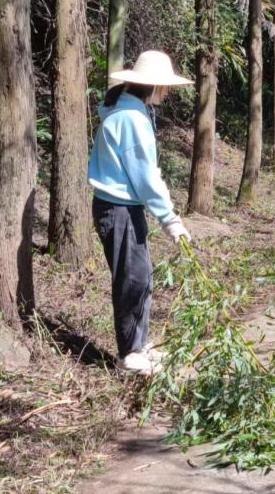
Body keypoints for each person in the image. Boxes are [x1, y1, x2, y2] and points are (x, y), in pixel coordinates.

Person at [87, 50, 193, 375]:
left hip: (123, 206)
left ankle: (139, 344)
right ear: (152, 85)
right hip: (118, 207)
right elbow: (146, 177)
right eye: (165, 86)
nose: (168, 92)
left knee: (141, 274)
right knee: (132, 279)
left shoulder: (129, 110)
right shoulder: (132, 119)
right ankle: (129, 355)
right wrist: (169, 218)